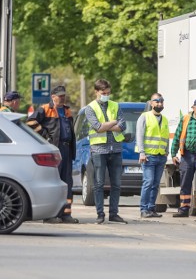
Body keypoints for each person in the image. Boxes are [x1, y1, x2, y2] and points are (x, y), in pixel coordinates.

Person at [29, 85, 78, 223]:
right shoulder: (45, 109)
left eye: (64, 96)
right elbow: (30, 122)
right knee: (52, 181)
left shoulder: (67, 111)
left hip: (66, 149)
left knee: (67, 182)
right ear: (53, 96)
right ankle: (49, 215)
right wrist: (45, 135)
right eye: (60, 96)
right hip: (53, 150)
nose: (63, 98)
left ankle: (66, 214)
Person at [83, 78, 128, 224]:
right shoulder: (90, 108)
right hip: (99, 150)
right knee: (99, 184)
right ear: (96, 92)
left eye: (108, 93)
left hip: (115, 149)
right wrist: (114, 122)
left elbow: (123, 126)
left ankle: (114, 214)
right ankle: (100, 214)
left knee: (116, 184)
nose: (106, 95)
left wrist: (109, 124)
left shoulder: (115, 105)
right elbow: (98, 127)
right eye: (103, 93)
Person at [135, 93, 170, 218]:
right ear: (151, 103)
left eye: (161, 101)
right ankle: (144, 209)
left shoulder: (165, 119)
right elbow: (139, 135)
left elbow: (165, 137)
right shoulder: (144, 117)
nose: (159, 104)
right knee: (148, 182)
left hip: (161, 156)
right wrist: (142, 153)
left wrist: (167, 152)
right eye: (156, 101)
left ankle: (151, 208)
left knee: (156, 184)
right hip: (149, 156)